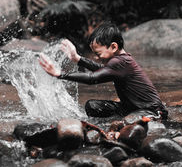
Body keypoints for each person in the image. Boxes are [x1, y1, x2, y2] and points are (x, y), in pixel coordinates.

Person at [38, 22, 168, 119]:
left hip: (151, 110)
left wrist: (60, 74)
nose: (96, 57)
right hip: (129, 108)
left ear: (113, 47)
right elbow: (102, 70)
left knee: (129, 121)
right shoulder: (119, 62)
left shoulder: (121, 62)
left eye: (98, 53)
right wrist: (77, 58)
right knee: (92, 106)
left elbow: (92, 78)